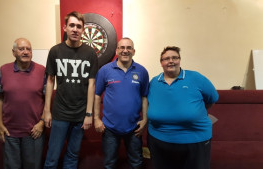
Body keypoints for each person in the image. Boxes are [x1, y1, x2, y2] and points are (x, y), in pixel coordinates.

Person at [147, 46, 219, 169]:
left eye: (175, 57)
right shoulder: (154, 82)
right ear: (161, 63)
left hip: (195, 141)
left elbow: (212, 99)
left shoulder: (196, 78)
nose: (171, 61)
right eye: (166, 58)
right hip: (159, 140)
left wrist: (193, 113)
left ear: (179, 60)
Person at [43, 11, 98, 169]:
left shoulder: (90, 53)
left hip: (80, 115)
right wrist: (47, 111)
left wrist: (89, 114)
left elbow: (91, 85)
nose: (75, 29)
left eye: (79, 26)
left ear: (83, 30)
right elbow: (49, 81)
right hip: (60, 113)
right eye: (72, 25)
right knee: (52, 157)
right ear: (65, 27)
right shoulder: (55, 51)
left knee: (72, 157)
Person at [94, 37, 149, 169]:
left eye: (129, 48)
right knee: (109, 164)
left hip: (134, 127)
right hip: (110, 128)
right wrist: (96, 118)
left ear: (134, 51)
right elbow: (96, 95)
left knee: (136, 163)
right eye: (122, 48)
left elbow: (144, 97)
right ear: (117, 50)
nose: (125, 51)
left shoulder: (142, 71)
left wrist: (145, 119)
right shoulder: (105, 70)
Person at [0, 38, 46, 169]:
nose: (26, 52)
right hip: (9, 133)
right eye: (21, 49)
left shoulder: (42, 71)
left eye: (28, 49)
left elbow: (48, 100)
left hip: (34, 133)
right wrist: (0, 125)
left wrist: (42, 123)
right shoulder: (4, 70)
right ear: (13, 52)